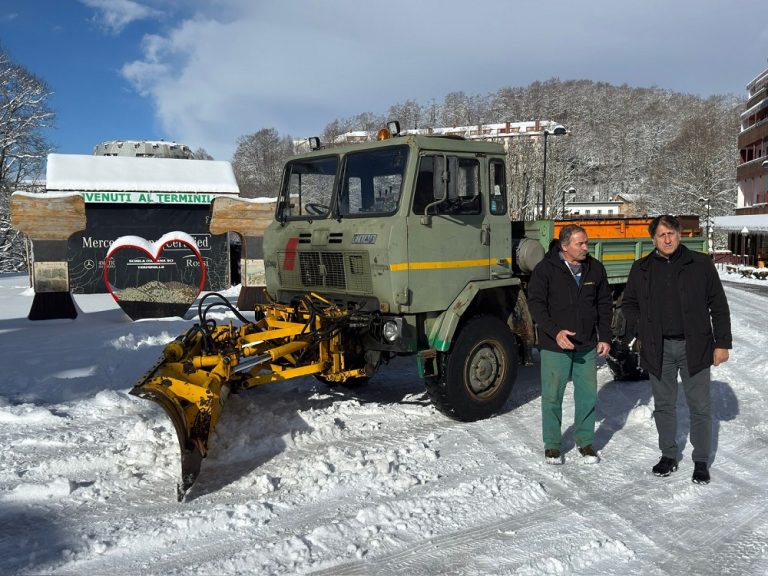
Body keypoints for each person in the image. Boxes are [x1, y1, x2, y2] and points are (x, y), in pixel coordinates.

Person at [622, 215, 731, 485]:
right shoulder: (642, 268)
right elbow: (629, 304)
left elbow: (718, 305)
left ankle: (701, 461)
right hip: (658, 348)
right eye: (661, 235)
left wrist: (722, 343)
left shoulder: (700, 264)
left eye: (671, 233)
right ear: (653, 239)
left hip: (695, 345)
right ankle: (668, 455)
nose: (667, 239)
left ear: (679, 234)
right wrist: (640, 330)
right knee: (664, 405)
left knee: (700, 406)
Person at [528, 225, 612, 464]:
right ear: (564, 246)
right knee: (552, 396)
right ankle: (552, 445)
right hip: (556, 345)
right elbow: (536, 305)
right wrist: (555, 332)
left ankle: (585, 442)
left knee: (587, 396)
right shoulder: (545, 269)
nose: (586, 247)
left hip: (586, 344)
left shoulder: (595, 268)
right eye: (580, 243)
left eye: (586, 242)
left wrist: (605, 336)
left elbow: (604, 304)